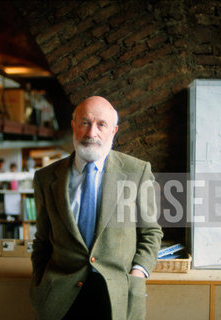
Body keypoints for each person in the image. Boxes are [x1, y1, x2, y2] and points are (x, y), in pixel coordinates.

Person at [30, 96, 163, 320]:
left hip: (118, 296)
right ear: (73, 125)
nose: (91, 133)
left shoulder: (137, 172)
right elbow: (42, 240)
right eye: (85, 122)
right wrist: (38, 282)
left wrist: (138, 273)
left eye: (101, 124)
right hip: (59, 298)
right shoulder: (45, 178)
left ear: (114, 130)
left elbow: (151, 233)